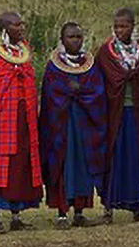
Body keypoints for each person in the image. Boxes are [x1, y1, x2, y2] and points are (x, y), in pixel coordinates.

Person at [0, 11, 44, 233]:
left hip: (22, 118)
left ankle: (16, 214)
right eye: (16, 25)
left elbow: (28, 79)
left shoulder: (24, 50)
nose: (21, 27)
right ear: (5, 29)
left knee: (20, 165)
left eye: (22, 23)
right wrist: (10, 77)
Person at [41, 22, 106, 228]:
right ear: (62, 40)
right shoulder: (54, 66)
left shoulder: (90, 64)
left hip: (85, 124)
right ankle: (62, 212)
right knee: (63, 165)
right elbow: (51, 94)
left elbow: (97, 91)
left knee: (83, 166)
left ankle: (79, 211)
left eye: (78, 37)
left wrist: (80, 92)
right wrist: (70, 92)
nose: (75, 41)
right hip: (61, 126)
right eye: (71, 37)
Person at [96, 8, 139, 223]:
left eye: (124, 26)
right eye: (117, 26)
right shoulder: (105, 52)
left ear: (133, 26)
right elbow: (101, 83)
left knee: (136, 158)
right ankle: (108, 207)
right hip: (114, 115)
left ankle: (137, 206)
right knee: (113, 158)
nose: (120, 30)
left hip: (136, 114)